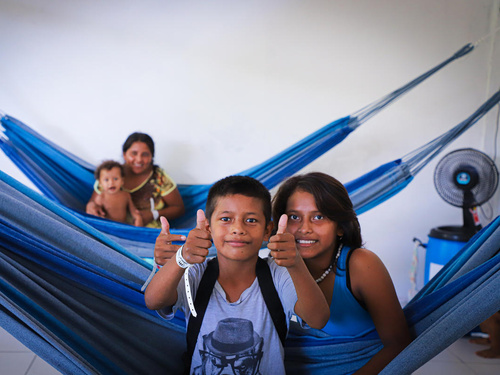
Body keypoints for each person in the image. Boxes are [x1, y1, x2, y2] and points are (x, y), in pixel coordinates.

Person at [144, 175, 329, 375]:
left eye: (251, 220)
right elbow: (154, 300)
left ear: (268, 230)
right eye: (225, 219)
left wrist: (296, 264)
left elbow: (317, 319)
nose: (238, 229)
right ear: (208, 228)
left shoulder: (278, 274)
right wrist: (182, 257)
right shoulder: (196, 273)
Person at [272, 172, 412, 374]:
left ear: (340, 227)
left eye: (318, 217)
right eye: (294, 217)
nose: (304, 229)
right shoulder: (274, 269)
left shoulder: (361, 265)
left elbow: (399, 344)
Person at [86, 132, 185, 227]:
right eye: (134, 153)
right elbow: (92, 203)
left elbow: (178, 208)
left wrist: (153, 215)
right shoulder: (111, 174)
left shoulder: (159, 178)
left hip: (148, 233)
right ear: (124, 154)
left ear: (151, 157)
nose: (139, 159)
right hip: (111, 231)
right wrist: (91, 207)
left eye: (145, 154)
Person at [87, 160, 142, 226]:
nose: (111, 183)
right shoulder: (101, 197)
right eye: (106, 180)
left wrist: (137, 217)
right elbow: (95, 214)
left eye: (115, 179)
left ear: (122, 181)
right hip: (108, 226)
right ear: (100, 183)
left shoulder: (126, 195)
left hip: (123, 225)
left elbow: (133, 211)